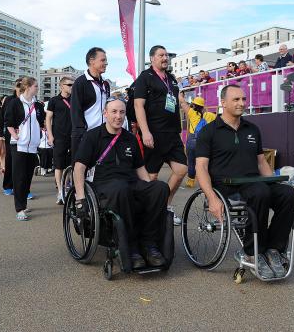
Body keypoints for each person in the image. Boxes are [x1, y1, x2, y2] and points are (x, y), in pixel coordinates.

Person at [195, 84, 294, 279]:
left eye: (243, 99)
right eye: (236, 99)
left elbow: (261, 162)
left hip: (254, 184)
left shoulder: (252, 129)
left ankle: (274, 249)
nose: (242, 103)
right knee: (260, 192)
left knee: (287, 194)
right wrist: (212, 198)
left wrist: (274, 183)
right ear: (223, 103)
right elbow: (201, 168)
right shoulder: (209, 132)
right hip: (227, 187)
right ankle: (251, 252)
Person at [73, 97, 169, 269]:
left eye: (122, 112)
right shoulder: (92, 136)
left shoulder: (130, 138)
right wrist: (80, 197)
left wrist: (150, 189)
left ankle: (149, 244)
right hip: (104, 185)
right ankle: (130, 246)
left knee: (160, 188)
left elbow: (140, 168)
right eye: (114, 112)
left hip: (129, 182)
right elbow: (79, 168)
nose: (118, 116)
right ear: (105, 113)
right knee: (121, 189)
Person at [134, 45, 188, 225]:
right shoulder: (145, 77)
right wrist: (146, 132)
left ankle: (164, 205)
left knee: (181, 170)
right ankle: (147, 212)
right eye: (161, 55)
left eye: (166, 55)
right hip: (154, 133)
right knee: (151, 177)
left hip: (172, 134)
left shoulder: (172, 79)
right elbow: (138, 106)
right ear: (152, 59)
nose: (165, 58)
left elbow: (176, 105)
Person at [7, 77, 45, 220]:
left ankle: (23, 203)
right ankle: (19, 208)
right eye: (36, 86)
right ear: (28, 87)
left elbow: (41, 122)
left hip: (33, 146)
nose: (37, 88)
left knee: (28, 176)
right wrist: (15, 136)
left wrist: (41, 133)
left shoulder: (38, 105)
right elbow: (8, 121)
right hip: (18, 145)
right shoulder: (15, 103)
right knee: (19, 178)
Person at [70, 47, 110, 159]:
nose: (106, 63)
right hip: (86, 136)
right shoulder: (80, 83)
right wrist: (82, 134)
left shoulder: (105, 84)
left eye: (106, 60)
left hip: (104, 134)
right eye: (103, 60)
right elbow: (75, 111)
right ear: (92, 61)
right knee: (82, 172)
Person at [46, 76, 74, 204]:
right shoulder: (54, 100)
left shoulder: (76, 99)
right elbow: (48, 119)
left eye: (73, 84)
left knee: (73, 164)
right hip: (59, 137)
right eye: (69, 84)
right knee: (59, 165)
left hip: (74, 137)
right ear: (61, 86)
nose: (71, 87)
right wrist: (50, 135)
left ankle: (69, 189)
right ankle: (60, 192)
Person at [178, 94, 216, 188]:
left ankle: (191, 181)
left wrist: (179, 93)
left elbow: (182, 102)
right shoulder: (210, 115)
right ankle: (207, 181)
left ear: (194, 105)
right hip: (204, 142)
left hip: (192, 141)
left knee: (191, 162)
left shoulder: (191, 113)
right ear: (203, 106)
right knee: (205, 163)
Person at [2, 78, 23, 195]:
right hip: (10, 133)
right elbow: (2, 117)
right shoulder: (9, 100)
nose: (20, 87)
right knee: (10, 160)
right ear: (14, 87)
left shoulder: (29, 99)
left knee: (22, 161)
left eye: (22, 85)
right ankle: (8, 185)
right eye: (18, 85)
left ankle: (21, 188)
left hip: (25, 134)